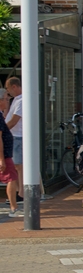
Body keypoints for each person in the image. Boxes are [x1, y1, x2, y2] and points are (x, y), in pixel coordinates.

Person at [0, 88, 22, 217]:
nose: (8, 102)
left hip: (5, 154)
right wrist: (2, 158)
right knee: (12, 178)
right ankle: (14, 208)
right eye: (6, 99)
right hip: (4, 155)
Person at [4, 77, 23, 204]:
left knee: (18, 166)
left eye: (8, 89)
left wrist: (3, 131)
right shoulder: (16, 100)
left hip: (17, 136)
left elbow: (14, 120)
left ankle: (20, 193)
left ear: (14, 86)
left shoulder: (21, 100)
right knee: (16, 166)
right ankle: (17, 192)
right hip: (13, 135)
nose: (8, 92)